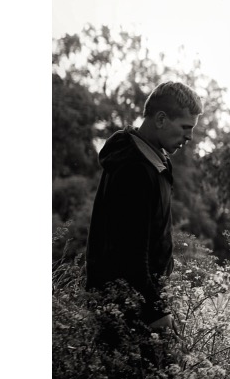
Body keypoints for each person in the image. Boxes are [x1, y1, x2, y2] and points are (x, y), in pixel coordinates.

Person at [85, 80, 202, 332]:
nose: (189, 136)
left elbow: (151, 235)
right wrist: (155, 310)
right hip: (124, 307)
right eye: (185, 127)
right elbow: (129, 251)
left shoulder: (156, 161)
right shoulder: (133, 169)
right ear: (160, 119)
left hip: (142, 298)